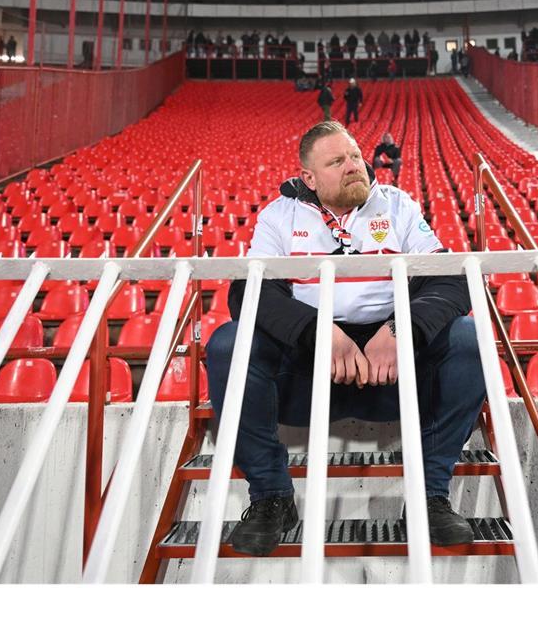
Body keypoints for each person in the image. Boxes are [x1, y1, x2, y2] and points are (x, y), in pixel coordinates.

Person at [206, 121, 486, 556]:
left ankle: (430, 497)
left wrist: (400, 330)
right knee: (228, 344)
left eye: (355, 156)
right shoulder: (278, 216)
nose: (354, 166)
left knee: (470, 339)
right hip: (310, 368)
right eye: (337, 161)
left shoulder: (397, 206)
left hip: (392, 367)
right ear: (309, 178)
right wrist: (317, 333)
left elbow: (451, 280)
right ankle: (271, 497)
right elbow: (249, 293)